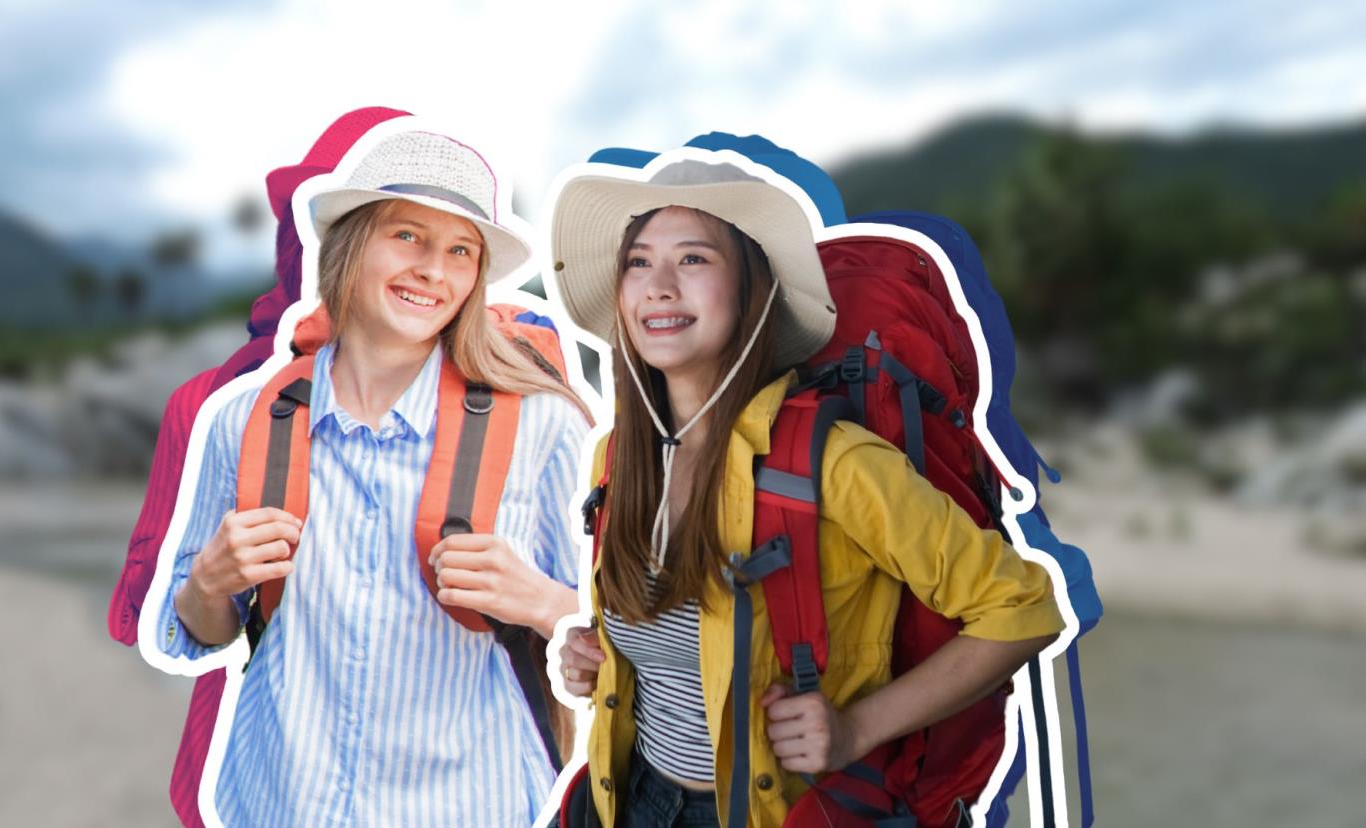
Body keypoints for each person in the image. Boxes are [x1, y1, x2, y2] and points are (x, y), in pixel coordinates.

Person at [548, 146, 1066, 828]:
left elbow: (1022, 609)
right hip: (626, 797)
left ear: (751, 292)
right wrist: (591, 652)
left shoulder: (834, 462)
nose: (659, 285)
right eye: (638, 261)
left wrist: (854, 729)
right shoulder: (619, 458)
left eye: (693, 258)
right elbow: (681, 640)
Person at [150, 125, 590, 827]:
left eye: (459, 251)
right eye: (407, 237)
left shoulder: (543, 427)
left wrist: (541, 602)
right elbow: (200, 632)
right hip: (276, 799)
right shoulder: (247, 419)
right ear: (349, 246)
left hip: (471, 806)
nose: (433, 271)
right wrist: (207, 581)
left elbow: (628, 648)